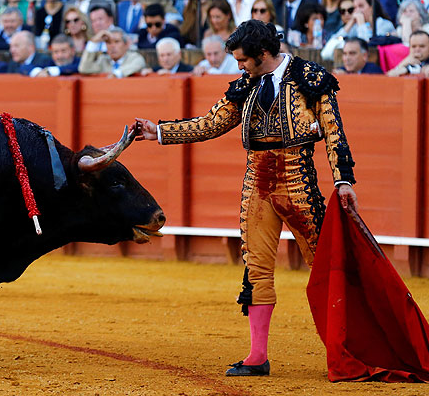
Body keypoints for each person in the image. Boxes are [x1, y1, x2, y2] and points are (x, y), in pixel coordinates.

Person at [132, 19, 357, 377]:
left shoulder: (310, 77)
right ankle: (257, 357)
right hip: (257, 183)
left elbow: (333, 132)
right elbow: (210, 123)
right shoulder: (246, 85)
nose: (238, 66)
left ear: (264, 54)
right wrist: (158, 131)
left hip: (298, 179)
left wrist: (343, 180)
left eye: (242, 60)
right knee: (256, 269)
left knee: (325, 268)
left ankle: (345, 353)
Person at [78, 27, 146, 77]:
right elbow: (84, 68)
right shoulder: (103, 60)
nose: (112, 46)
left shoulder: (134, 57)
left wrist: (115, 74)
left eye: (117, 42)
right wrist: (94, 42)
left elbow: (138, 63)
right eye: (108, 42)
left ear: (126, 44)